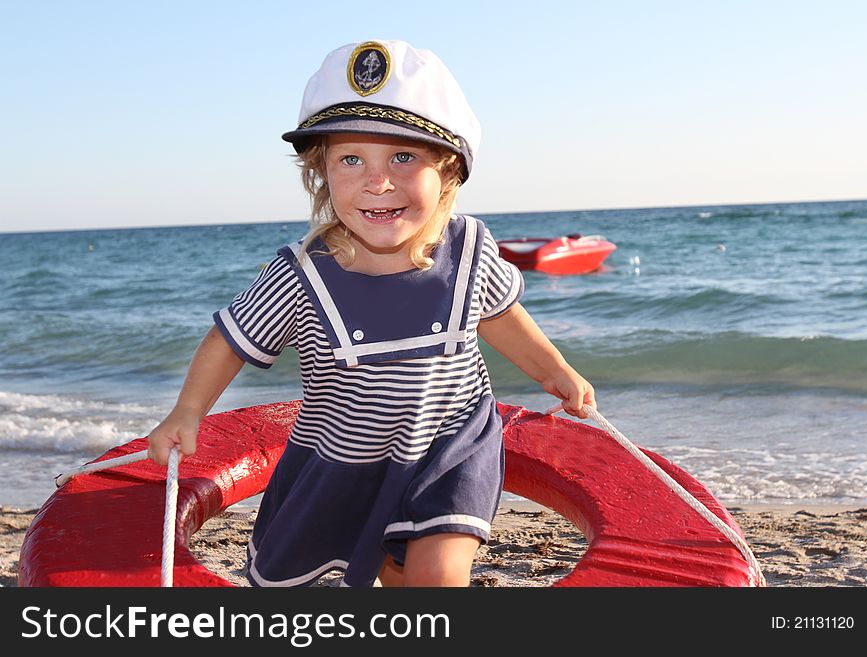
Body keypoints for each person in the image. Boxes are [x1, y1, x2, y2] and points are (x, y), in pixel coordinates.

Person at [147, 39, 596, 588]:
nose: (377, 181)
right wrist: (187, 411)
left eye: (403, 157)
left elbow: (500, 316)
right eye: (351, 160)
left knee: (437, 569)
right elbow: (230, 341)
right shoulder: (301, 276)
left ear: (448, 172)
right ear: (322, 174)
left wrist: (554, 371)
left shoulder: (471, 249)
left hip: (449, 445)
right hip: (346, 459)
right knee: (387, 572)